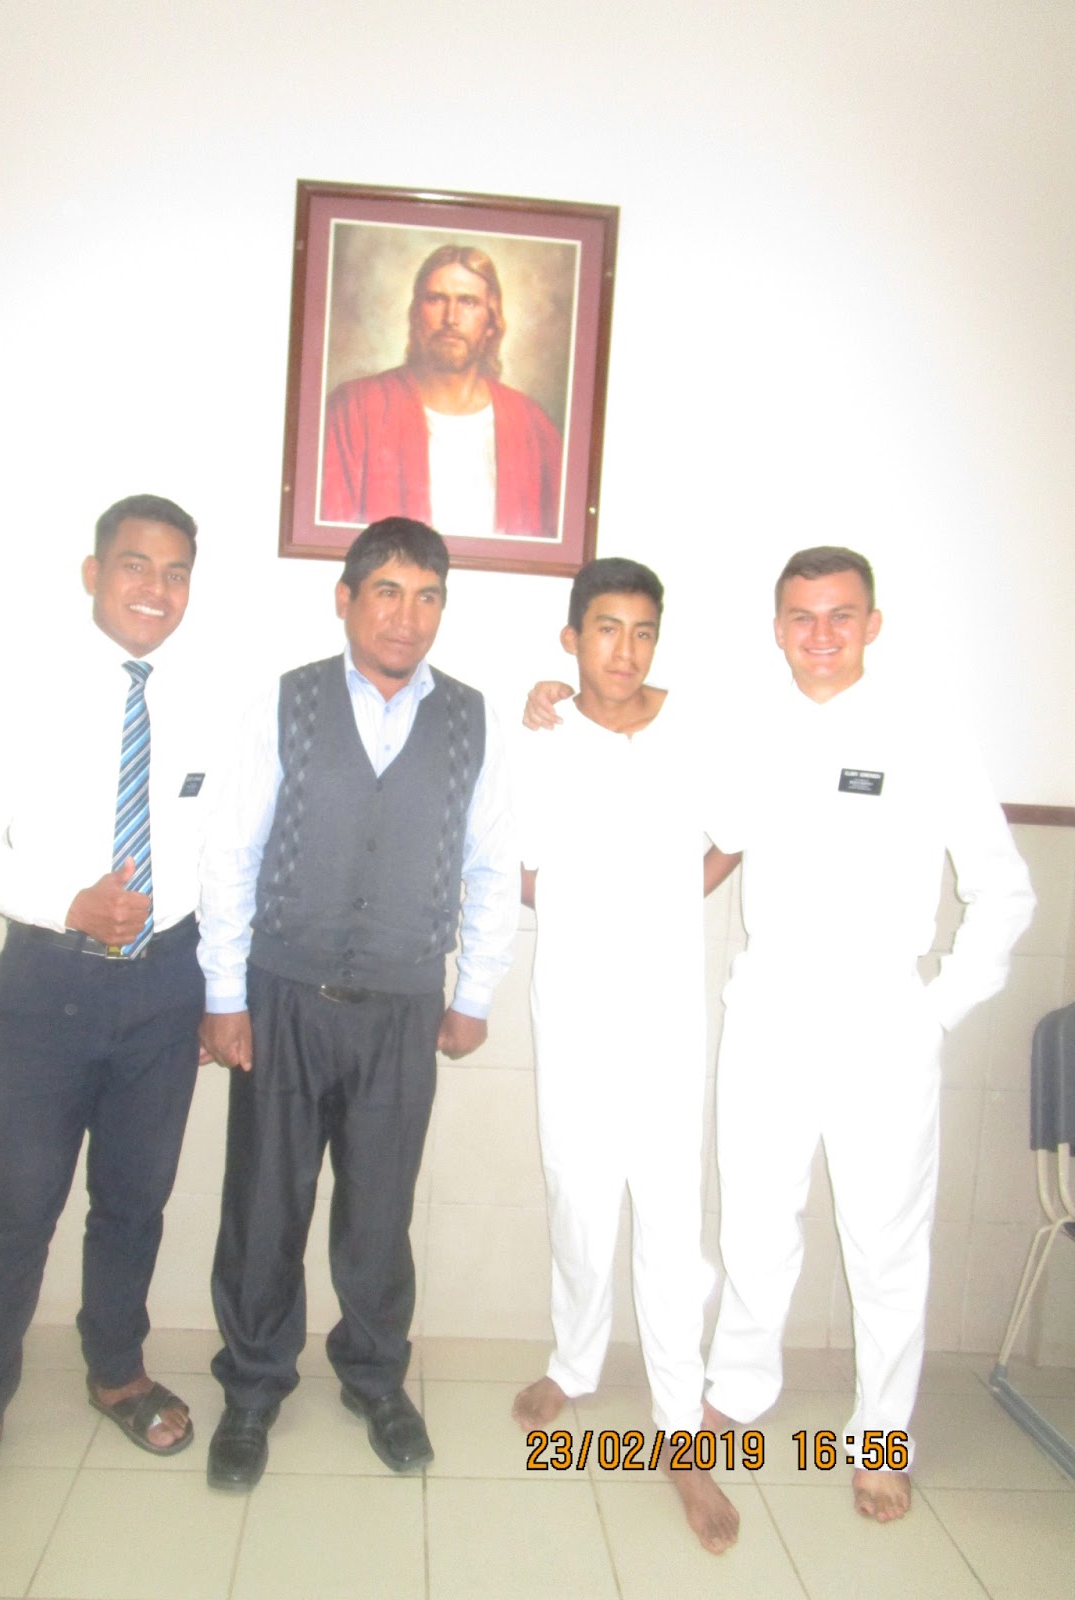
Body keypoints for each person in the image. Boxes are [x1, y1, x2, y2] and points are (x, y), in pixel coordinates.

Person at [526, 544, 1035, 1526]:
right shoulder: (745, 728)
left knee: (885, 1243)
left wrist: (936, 1008)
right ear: (777, 629)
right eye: (802, 616)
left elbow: (1003, 888)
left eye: (841, 615)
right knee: (755, 1226)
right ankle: (740, 1390)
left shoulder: (927, 733)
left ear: (873, 624)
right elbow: (635, 745)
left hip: (884, 1019)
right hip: (767, 1011)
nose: (821, 634)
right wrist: (546, 699)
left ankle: (880, 1436)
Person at [0, 494, 214, 1531]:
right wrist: (69, 904)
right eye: (135, 565)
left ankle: (117, 1372)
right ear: (94, 573)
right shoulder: (21, 684)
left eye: (175, 572)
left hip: (163, 989)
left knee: (134, 1202)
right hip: (47, 986)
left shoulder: (203, 697)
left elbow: (219, 850)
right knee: (19, 1209)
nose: (155, 589)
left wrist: (214, 987)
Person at [198, 516, 517, 1491]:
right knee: (265, 1203)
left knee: (380, 1212)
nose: (406, 617)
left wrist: (473, 991)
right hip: (284, 995)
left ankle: (375, 1378)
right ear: (345, 599)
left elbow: (491, 864)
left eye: (427, 597)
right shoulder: (286, 701)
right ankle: (253, 1387)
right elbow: (231, 849)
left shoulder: (472, 719)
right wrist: (224, 993)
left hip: (402, 1008)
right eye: (387, 591)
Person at [512, 558, 738, 1554]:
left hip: (664, 1020)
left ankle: (682, 1432)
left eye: (643, 630)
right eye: (606, 628)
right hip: (573, 1011)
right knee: (578, 1194)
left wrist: (663, 901)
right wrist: (584, 908)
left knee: (671, 1217)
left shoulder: (694, 728)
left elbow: (733, 836)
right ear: (573, 637)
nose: (625, 649)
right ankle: (574, 1361)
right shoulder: (544, 732)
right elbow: (517, 864)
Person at [321, 244, 563, 540]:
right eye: (436, 299)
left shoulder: (532, 426)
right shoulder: (355, 410)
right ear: (415, 314)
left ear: (491, 321)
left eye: (468, 302)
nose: (451, 318)